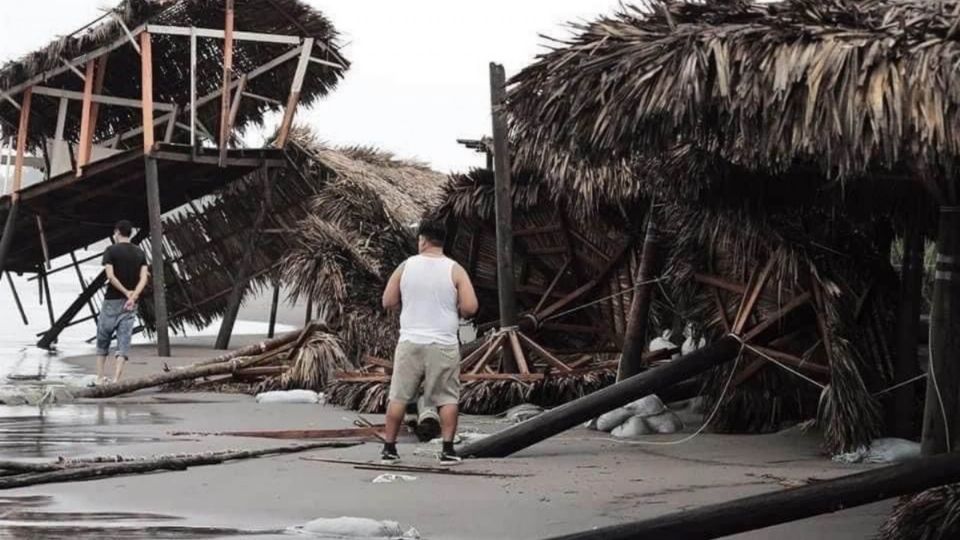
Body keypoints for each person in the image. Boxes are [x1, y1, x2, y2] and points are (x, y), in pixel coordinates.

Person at [381, 219, 478, 464]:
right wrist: (457, 308)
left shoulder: (405, 266)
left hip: (410, 340)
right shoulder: (455, 269)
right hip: (443, 343)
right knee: (446, 398)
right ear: (442, 241)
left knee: (399, 396)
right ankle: (447, 450)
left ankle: (389, 449)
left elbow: (388, 301)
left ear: (422, 240)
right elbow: (470, 307)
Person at [95, 220, 148, 384]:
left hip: (111, 301)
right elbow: (144, 278)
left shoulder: (110, 251)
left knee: (103, 338)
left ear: (117, 232)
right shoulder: (140, 253)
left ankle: (99, 377)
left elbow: (110, 276)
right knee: (124, 340)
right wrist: (132, 296)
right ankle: (116, 379)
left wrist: (125, 292)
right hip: (130, 304)